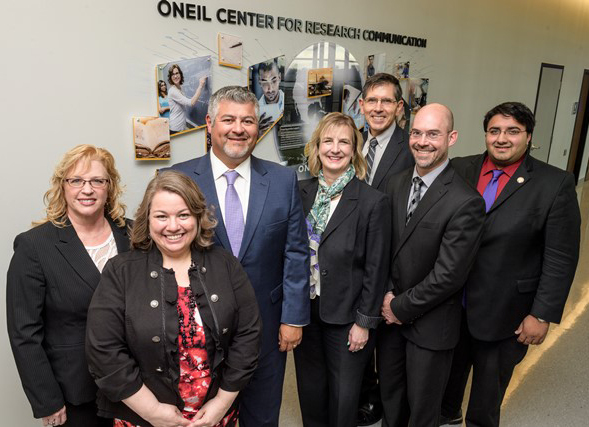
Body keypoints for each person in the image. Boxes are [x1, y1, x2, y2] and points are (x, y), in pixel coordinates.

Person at [165, 86, 310, 427]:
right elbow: (164, 254)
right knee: (204, 418)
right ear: (209, 124)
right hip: (198, 329)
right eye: (228, 119)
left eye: (247, 120)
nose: (238, 128)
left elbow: (296, 252)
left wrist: (293, 318)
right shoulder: (177, 178)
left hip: (267, 326)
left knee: (262, 415)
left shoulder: (282, 179)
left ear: (257, 127)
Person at [439, 102, 581, 427]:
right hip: (451, 305)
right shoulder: (460, 168)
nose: (502, 139)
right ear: (486, 135)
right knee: (446, 379)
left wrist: (541, 314)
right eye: (495, 131)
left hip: (507, 311)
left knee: (487, 396)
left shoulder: (554, 184)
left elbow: (560, 257)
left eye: (512, 131)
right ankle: (447, 415)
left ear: (528, 136)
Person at [86, 170, 262, 427]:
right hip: (143, 419)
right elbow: (103, 350)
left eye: (183, 215)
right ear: (147, 219)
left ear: (198, 217)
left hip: (215, 416)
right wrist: (153, 411)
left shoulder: (225, 264)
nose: (173, 226)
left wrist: (221, 404)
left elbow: (248, 335)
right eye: (161, 216)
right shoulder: (121, 271)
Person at [6, 144, 131, 427]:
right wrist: (46, 400)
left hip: (139, 387)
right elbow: (24, 332)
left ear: (109, 187)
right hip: (75, 395)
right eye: (76, 180)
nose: (87, 189)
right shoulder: (34, 246)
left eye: (97, 180)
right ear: (62, 186)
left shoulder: (135, 236)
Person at [379, 103, 486, 427]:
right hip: (389, 322)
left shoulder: (466, 201)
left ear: (451, 137)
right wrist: (386, 297)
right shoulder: (395, 184)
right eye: (417, 133)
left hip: (430, 328)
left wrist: (399, 306)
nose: (423, 141)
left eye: (433, 134)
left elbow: (449, 275)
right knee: (391, 402)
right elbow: (382, 248)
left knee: (422, 413)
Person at [294, 112, 391, 427]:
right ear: (317, 146)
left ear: (354, 150)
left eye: (344, 142)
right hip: (306, 312)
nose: (335, 149)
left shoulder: (372, 202)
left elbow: (377, 269)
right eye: (328, 141)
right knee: (311, 390)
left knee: (343, 396)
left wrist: (364, 322)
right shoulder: (301, 192)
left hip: (348, 317)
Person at [356, 72, 415, 426]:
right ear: (361, 106)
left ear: (398, 107)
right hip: (355, 264)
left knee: (390, 349)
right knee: (358, 339)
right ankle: (366, 398)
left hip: (393, 264)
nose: (378, 108)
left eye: (386, 101)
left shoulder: (412, 148)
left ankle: (388, 407)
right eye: (372, 101)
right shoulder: (352, 142)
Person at [167, 64, 207, 133]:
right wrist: (200, 85)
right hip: (175, 128)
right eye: (173, 74)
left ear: (180, 74)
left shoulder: (180, 88)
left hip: (181, 126)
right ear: (170, 77)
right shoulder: (173, 91)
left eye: (177, 73)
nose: (175, 76)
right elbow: (191, 103)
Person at [257, 59, 284, 136]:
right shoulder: (254, 111)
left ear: (279, 77)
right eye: (265, 82)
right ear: (259, 82)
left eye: (274, 81)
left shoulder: (290, 102)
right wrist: (257, 134)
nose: (270, 89)